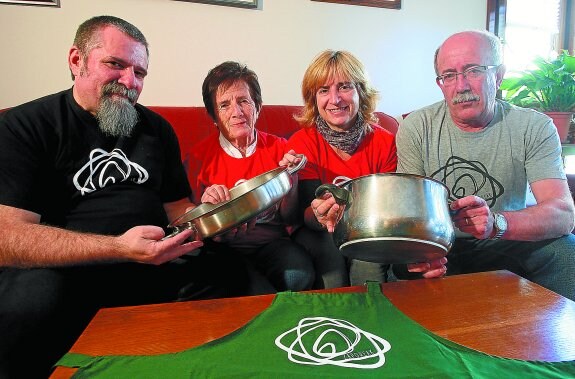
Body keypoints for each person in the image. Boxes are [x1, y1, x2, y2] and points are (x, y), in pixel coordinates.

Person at [0, 16, 251, 378]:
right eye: (115, 65)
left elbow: (178, 208)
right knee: (31, 297)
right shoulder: (24, 127)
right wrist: (118, 247)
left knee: (226, 268)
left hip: (151, 263)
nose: (130, 81)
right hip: (68, 273)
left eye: (140, 72)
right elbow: (8, 237)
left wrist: (216, 216)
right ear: (76, 61)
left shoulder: (157, 129)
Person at [396, 30, 575, 300]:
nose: (461, 86)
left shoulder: (533, 126)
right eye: (449, 75)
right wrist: (423, 252)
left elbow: (563, 214)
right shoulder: (417, 127)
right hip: (441, 249)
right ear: (440, 83)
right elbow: (408, 212)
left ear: (498, 75)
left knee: (565, 251)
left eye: (473, 70)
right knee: (400, 264)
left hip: (505, 242)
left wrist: (497, 223)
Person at [186, 61, 315, 293]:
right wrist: (206, 207)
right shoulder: (198, 158)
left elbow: (290, 218)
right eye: (224, 105)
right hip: (224, 249)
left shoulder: (280, 148)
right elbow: (191, 228)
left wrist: (291, 181)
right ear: (214, 116)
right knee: (246, 287)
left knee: (298, 276)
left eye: (243, 101)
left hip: (272, 244)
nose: (237, 112)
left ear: (257, 106)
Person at [288, 50, 405, 288]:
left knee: (368, 264)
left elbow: (388, 210)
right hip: (318, 231)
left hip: (369, 230)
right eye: (324, 90)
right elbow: (303, 216)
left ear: (361, 92)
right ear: (314, 98)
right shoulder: (302, 143)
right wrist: (321, 215)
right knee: (332, 270)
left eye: (344, 87)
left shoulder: (385, 142)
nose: (335, 99)